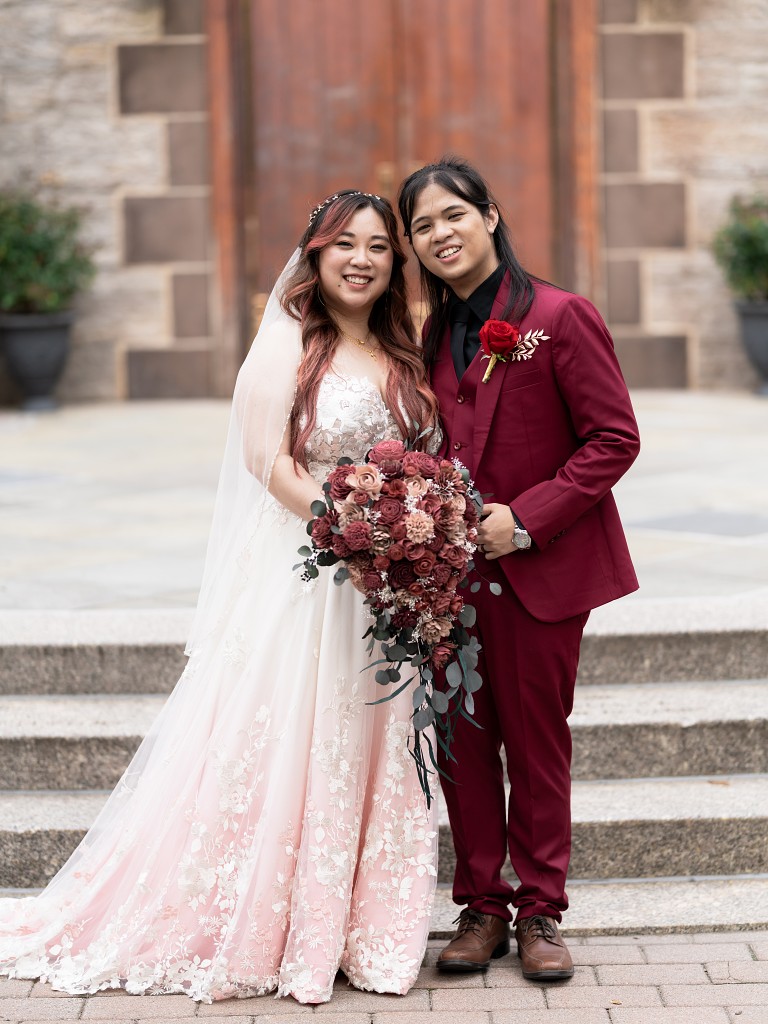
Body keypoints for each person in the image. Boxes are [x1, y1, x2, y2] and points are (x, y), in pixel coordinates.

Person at [0, 190, 441, 1005]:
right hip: (312, 582)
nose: (363, 260)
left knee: (369, 747)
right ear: (314, 253)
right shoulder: (287, 344)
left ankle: (356, 925)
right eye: (346, 244)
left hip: (387, 598)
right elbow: (265, 461)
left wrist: (415, 535)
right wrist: (349, 530)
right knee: (294, 744)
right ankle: (275, 920)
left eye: (380, 248)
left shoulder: (402, 351)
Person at [397, 158, 640, 981]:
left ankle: (541, 911)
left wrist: (526, 520)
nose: (440, 235)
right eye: (422, 227)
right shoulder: (430, 336)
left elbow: (614, 439)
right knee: (462, 744)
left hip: (543, 574)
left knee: (538, 746)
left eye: (452, 216)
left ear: (490, 216)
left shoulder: (562, 317)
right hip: (448, 582)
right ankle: (481, 907)